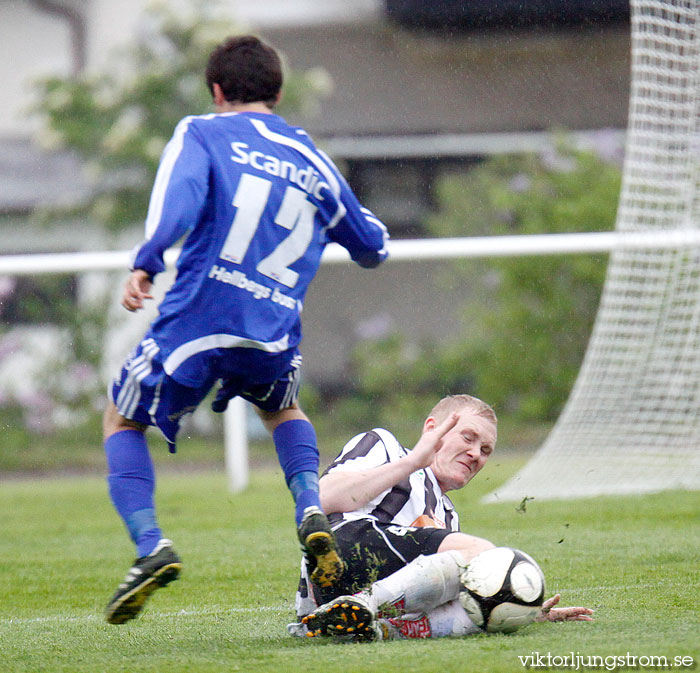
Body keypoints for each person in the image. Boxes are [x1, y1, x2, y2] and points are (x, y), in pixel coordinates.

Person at [102, 35, 388, 625]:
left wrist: (148, 259)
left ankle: (150, 545)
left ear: (215, 91)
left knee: (121, 418)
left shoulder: (201, 131)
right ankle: (310, 510)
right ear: (279, 94)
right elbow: (369, 246)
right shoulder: (311, 157)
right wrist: (373, 231)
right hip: (271, 332)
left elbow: (180, 199)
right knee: (284, 411)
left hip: (196, 322)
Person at [288, 394, 593, 641]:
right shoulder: (385, 446)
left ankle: (361, 623)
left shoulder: (448, 517)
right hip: (342, 552)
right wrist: (411, 462)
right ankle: (363, 604)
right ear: (434, 428)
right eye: (468, 437)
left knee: (479, 587)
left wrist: (517, 606)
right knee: (482, 555)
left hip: (364, 592)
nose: (476, 454)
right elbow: (323, 498)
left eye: (486, 449)